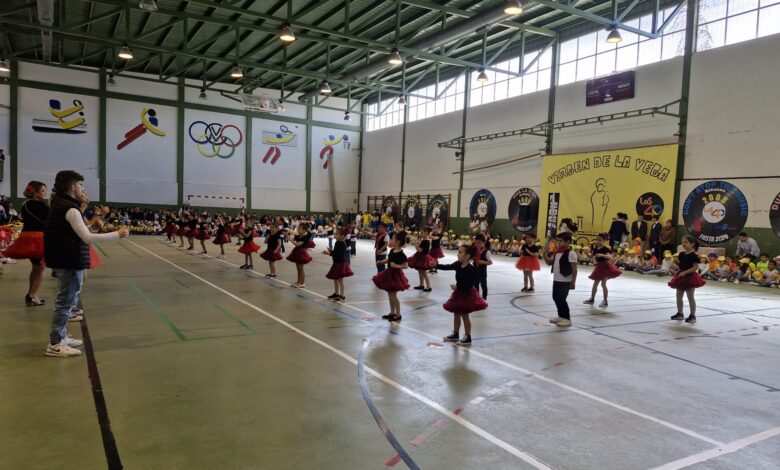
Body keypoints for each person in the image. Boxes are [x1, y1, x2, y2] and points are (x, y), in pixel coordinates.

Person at [43, 170, 129, 358]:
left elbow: (79, 231)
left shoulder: (62, 205)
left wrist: (90, 219)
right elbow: (87, 237)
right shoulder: (70, 209)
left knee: (67, 300)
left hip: (66, 258)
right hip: (69, 259)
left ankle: (62, 336)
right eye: (80, 185)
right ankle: (55, 343)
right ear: (72, 186)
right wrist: (117, 234)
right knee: (65, 302)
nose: (83, 188)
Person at [2, 181, 49, 306]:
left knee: (36, 267)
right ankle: (32, 296)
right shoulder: (40, 205)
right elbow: (49, 220)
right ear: (36, 192)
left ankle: (31, 295)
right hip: (38, 238)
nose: (45, 193)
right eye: (43, 191)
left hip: (27, 237)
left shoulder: (25, 204)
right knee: (39, 268)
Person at [438, 244, 488, 346]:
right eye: (458, 252)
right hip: (459, 293)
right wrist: (435, 265)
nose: (458, 254)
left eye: (460, 252)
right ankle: (455, 334)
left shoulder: (471, 269)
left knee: (465, 315)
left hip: (467, 294)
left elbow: (469, 284)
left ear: (467, 256)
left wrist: (457, 287)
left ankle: (467, 336)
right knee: (456, 313)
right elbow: (448, 267)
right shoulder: (458, 264)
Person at [669, 235, 706, 324]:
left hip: (690, 278)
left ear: (692, 244)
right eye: (682, 242)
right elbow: (681, 266)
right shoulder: (681, 254)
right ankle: (680, 313)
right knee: (678, 295)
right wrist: (675, 268)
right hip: (681, 277)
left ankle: (692, 316)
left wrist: (685, 272)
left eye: (686, 242)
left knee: (690, 297)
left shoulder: (694, 255)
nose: (683, 244)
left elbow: (695, 267)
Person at [374, 231, 410, 323]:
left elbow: (406, 265)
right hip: (389, 273)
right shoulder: (392, 250)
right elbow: (389, 260)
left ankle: (398, 314)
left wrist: (396, 266)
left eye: (392, 239)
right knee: (390, 295)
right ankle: (392, 312)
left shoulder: (401, 254)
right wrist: (382, 261)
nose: (390, 241)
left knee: (394, 296)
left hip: (395, 276)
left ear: (398, 242)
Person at [544, 232, 577, 327]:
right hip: (556, 279)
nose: (558, 243)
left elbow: (574, 269)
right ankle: (561, 316)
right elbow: (549, 262)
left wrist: (573, 282)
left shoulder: (571, 253)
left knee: (561, 299)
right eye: (558, 241)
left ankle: (567, 319)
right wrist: (544, 254)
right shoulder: (557, 253)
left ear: (568, 242)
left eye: (561, 241)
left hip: (565, 281)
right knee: (555, 297)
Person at [584, 233, 621, 308]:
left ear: (604, 241)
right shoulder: (595, 248)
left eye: (600, 240)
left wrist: (602, 255)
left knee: (603, 284)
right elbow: (592, 256)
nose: (598, 241)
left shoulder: (605, 248)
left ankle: (605, 301)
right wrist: (587, 254)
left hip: (605, 267)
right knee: (595, 283)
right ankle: (592, 299)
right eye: (597, 239)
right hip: (599, 267)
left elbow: (610, 257)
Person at [325, 229, 353, 302]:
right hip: (336, 263)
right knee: (335, 278)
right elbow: (335, 252)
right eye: (335, 234)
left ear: (342, 236)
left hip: (340, 264)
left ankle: (342, 295)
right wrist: (331, 251)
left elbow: (338, 255)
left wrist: (329, 253)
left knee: (340, 280)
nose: (335, 235)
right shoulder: (338, 242)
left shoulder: (342, 243)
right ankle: (336, 293)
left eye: (337, 234)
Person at [287, 223, 313, 288]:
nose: (298, 229)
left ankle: (302, 283)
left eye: (300, 228)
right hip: (297, 251)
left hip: (301, 252)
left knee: (301, 268)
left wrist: (290, 240)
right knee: (298, 268)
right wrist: (288, 235)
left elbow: (298, 244)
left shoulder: (305, 237)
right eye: (298, 228)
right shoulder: (299, 236)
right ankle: (298, 282)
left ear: (304, 230)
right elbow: (294, 237)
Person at [472, 234, 492, 299]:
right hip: (475, 270)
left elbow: (490, 262)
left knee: (483, 285)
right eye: (476, 243)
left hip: (482, 272)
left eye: (479, 243)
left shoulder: (487, 252)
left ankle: (484, 298)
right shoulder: (474, 250)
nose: (477, 244)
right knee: (475, 285)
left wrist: (482, 262)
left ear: (484, 242)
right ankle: (477, 298)